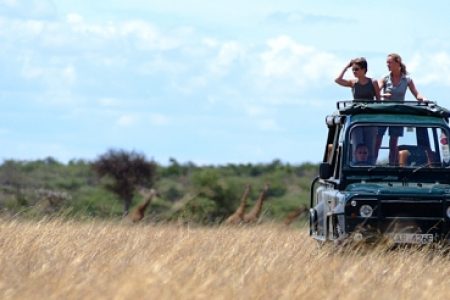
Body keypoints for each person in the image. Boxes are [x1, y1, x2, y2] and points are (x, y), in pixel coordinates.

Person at [375, 53, 428, 165]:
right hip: (384, 113)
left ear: (397, 62)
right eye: (387, 63)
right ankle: (371, 163)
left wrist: (423, 99)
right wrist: (384, 95)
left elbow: (416, 93)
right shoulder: (385, 78)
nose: (387, 65)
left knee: (394, 141)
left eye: (390, 62)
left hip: (397, 114)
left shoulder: (407, 79)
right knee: (378, 139)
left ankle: (392, 165)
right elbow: (376, 92)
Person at [336, 57, 380, 163]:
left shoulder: (373, 82)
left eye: (357, 69)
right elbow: (338, 80)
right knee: (357, 147)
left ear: (364, 69)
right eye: (353, 69)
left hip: (370, 119)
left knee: (370, 147)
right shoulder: (353, 83)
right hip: (357, 119)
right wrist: (347, 66)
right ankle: (356, 167)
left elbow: (378, 100)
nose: (354, 71)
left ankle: (370, 169)